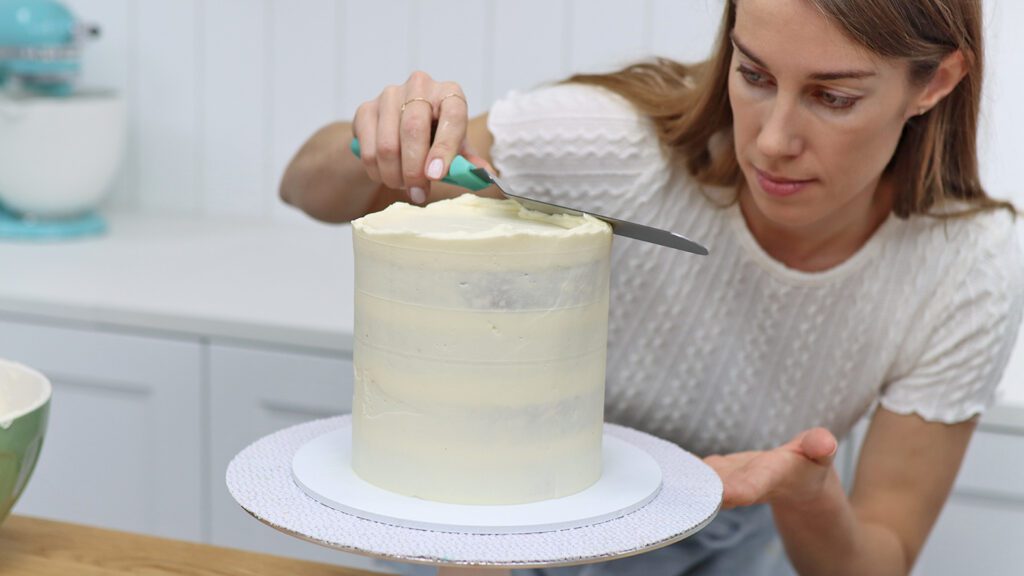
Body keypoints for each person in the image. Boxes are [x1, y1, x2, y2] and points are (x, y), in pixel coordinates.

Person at [280, 0, 1024, 574]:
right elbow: (305, 186)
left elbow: (877, 558)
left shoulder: (966, 267)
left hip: (727, 545)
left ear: (936, 82)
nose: (771, 139)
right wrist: (382, 141)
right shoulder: (608, 147)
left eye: (833, 97)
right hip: (498, 527)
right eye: (755, 75)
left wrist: (806, 496)